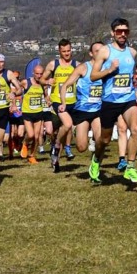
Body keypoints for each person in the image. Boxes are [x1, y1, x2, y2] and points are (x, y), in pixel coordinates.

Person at [91, 18, 137, 185]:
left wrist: (135, 79)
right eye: (119, 31)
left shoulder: (132, 52)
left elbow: (128, 76)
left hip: (128, 98)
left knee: (135, 129)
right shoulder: (105, 52)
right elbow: (93, 76)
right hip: (110, 101)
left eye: (125, 31)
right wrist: (110, 70)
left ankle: (131, 166)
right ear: (112, 33)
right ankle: (96, 160)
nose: (122, 34)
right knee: (105, 140)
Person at [61, 42, 106, 178]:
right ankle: (81, 134)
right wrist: (63, 102)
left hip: (99, 110)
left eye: (102, 51)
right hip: (82, 111)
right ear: (91, 53)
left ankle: (95, 164)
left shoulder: (107, 68)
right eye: (96, 51)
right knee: (81, 147)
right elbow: (65, 86)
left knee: (102, 141)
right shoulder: (83, 68)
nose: (99, 53)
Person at [44, 40, 79, 174]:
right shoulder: (54, 64)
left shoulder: (77, 65)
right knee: (65, 126)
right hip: (57, 101)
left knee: (64, 130)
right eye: (64, 51)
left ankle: (55, 157)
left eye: (68, 51)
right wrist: (47, 81)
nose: (66, 54)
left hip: (73, 102)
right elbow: (41, 79)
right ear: (59, 51)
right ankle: (57, 146)